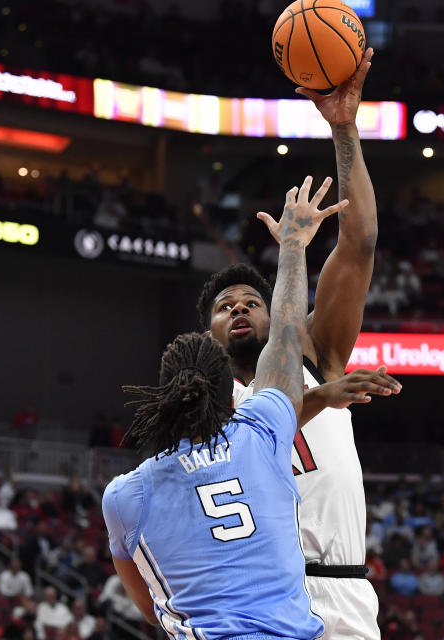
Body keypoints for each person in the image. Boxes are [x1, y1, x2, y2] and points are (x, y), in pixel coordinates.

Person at [200, 49, 402, 640]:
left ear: (280, 316)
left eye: (251, 302)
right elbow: (252, 437)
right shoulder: (204, 401)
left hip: (342, 589)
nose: (238, 307)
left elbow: (360, 240)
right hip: (259, 591)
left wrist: (343, 128)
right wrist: (321, 397)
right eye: (222, 306)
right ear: (208, 335)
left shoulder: (316, 353)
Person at [103, 176, 348, 639]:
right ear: (228, 391)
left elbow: (152, 606)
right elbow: (288, 337)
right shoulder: (261, 430)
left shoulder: (124, 496)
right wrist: (293, 247)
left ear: (162, 397)